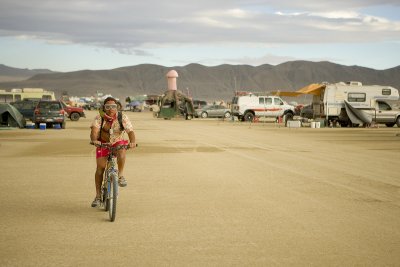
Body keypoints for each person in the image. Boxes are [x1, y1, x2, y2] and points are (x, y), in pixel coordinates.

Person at [90, 97, 136, 207]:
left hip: (117, 143)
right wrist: (95, 140)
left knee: (122, 148)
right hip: (103, 144)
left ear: (117, 107)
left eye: (113, 106)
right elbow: (94, 131)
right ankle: (97, 196)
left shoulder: (122, 117)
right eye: (108, 107)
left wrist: (133, 142)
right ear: (104, 108)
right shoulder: (99, 118)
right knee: (100, 169)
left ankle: (120, 176)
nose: (111, 109)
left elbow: (130, 131)